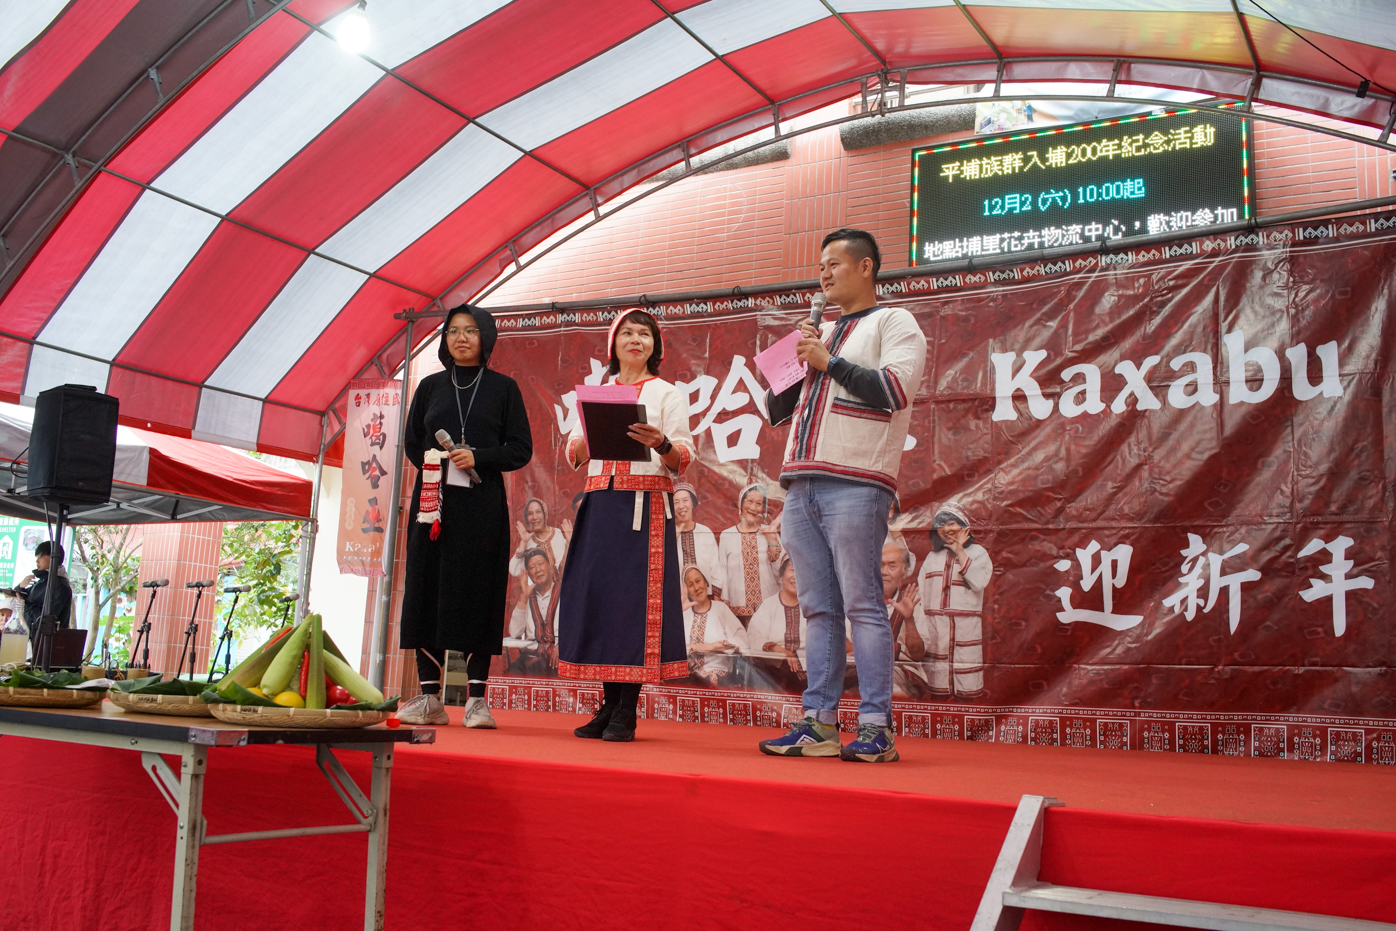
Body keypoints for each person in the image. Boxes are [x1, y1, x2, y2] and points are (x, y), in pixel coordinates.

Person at [758, 228, 927, 763]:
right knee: (818, 610)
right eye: (821, 265)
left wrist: (828, 361)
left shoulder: (895, 322)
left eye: (834, 264)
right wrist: (799, 355)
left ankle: (876, 727)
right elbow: (776, 410)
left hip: (856, 482)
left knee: (863, 605)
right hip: (799, 484)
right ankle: (819, 723)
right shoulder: (817, 331)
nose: (824, 273)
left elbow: (895, 390)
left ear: (867, 268)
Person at [559, 309, 696, 742]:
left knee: (634, 607)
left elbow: (684, 458)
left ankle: (627, 710)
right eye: (628, 333)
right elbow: (574, 456)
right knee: (601, 602)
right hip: (601, 502)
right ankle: (606, 705)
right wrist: (583, 439)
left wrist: (662, 443)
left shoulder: (667, 394)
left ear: (655, 345)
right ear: (613, 343)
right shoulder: (596, 393)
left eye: (645, 334)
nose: (636, 340)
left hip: (646, 506)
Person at [397, 304, 533, 728]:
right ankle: (429, 698)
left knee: (478, 591)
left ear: (486, 338)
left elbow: (519, 449)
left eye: (471, 331)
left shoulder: (504, 388)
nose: (461, 338)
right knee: (425, 588)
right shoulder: (429, 386)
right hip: (433, 505)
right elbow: (411, 443)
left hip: (481, 505)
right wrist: (435, 460)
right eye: (453, 330)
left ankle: (476, 699)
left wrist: (478, 456)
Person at [918, 504, 993, 699]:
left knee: (966, 676)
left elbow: (978, 583)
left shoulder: (978, 553)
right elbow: (921, 592)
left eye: (951, 523)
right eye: (941, 525)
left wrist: (960, 552)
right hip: (936, 625)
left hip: (966, 626)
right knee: (937, 677)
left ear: (963, 526)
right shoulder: (932, 557)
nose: (946, 529)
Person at [716, 484, 782, 627]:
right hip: (738, 611)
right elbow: (723, 574)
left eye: (759, 503)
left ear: (763, 509)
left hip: (769, 608)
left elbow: (780, 573)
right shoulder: (727, 535)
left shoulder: (770, 531)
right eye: (749, 501)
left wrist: (772, 540)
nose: (753, 507)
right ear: (741, 504)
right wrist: (726, 608)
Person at [681, 566, 748, 685]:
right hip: (688, 680)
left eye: (698, 581)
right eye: (691, 585)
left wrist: (708, 647)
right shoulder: (684, 614)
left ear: (706, 582)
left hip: (720, 680)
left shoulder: (720, 609)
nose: (696, 588)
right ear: (687, 591)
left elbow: (742, 640)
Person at [506, 547, 560, 675]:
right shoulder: (527, 596)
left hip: (560, 656)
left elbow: (577, 628)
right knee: (511, 675)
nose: (537, 570)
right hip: (532, 658)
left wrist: (564, 644)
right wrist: (523, 597)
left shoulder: (565, 593)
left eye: (540, 564)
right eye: (532, 567)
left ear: (550, 566)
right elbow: (514, 633)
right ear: (528, 573)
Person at [673, 482, 721, 608]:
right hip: (678, 601)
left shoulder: (705, 532)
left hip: (706, 599)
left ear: (693, 503)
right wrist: (672, 539)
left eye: (685, 500)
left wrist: (717, 603)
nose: (681, 506)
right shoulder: (667, 535)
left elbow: (715, 568)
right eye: (676, 502)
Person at [508, 497, 569, 594]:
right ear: (526, 518)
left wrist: (569, 542)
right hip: (539, 598)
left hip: (564, 593)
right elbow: (513, 570)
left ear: (545, 514)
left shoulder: (559, 534)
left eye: (538, 512)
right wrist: (523, 543)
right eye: (530, 513)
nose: (534, 517)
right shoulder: (527, 541)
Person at [16, 541, 72, 639]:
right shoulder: (42, 582)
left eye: (40, 556)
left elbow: (46, 619)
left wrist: (24, 603)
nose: (37, 560)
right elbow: (21, 595)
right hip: (32, 639)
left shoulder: (59, 585)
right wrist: (20, 587)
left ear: (53, 557)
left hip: (46, 644)